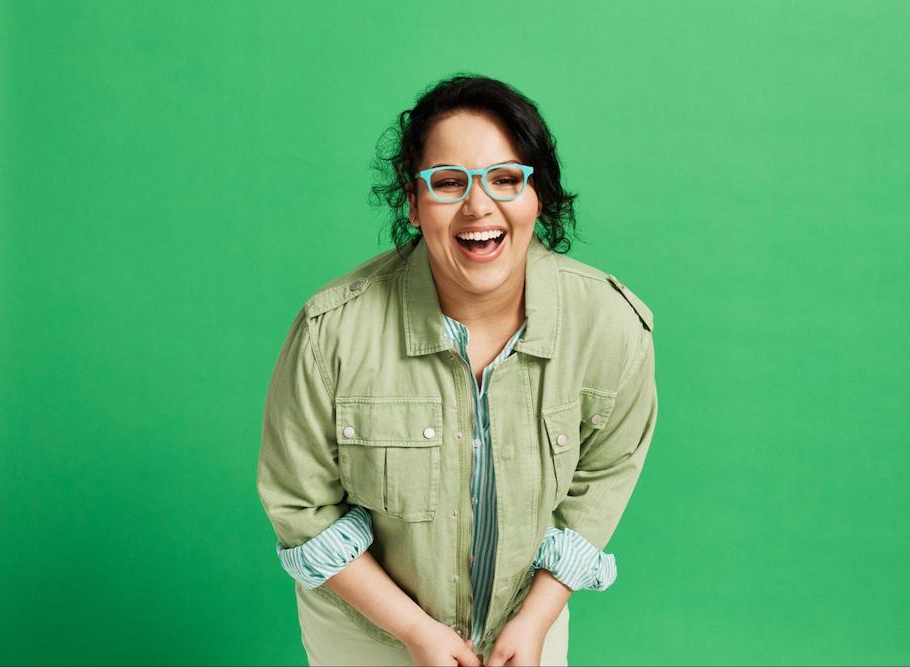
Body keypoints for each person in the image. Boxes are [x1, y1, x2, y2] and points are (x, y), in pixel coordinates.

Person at [256, 73, 659, 666]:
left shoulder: (611, 326)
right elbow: (301, 507)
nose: (479, 206)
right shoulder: (331, 331)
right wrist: (417, 632)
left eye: (504, 179)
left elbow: (601, 483)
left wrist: (536, 621)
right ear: (413, 204)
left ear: (537, 194)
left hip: (527, 632)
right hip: (368, 635)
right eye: (448, 183)